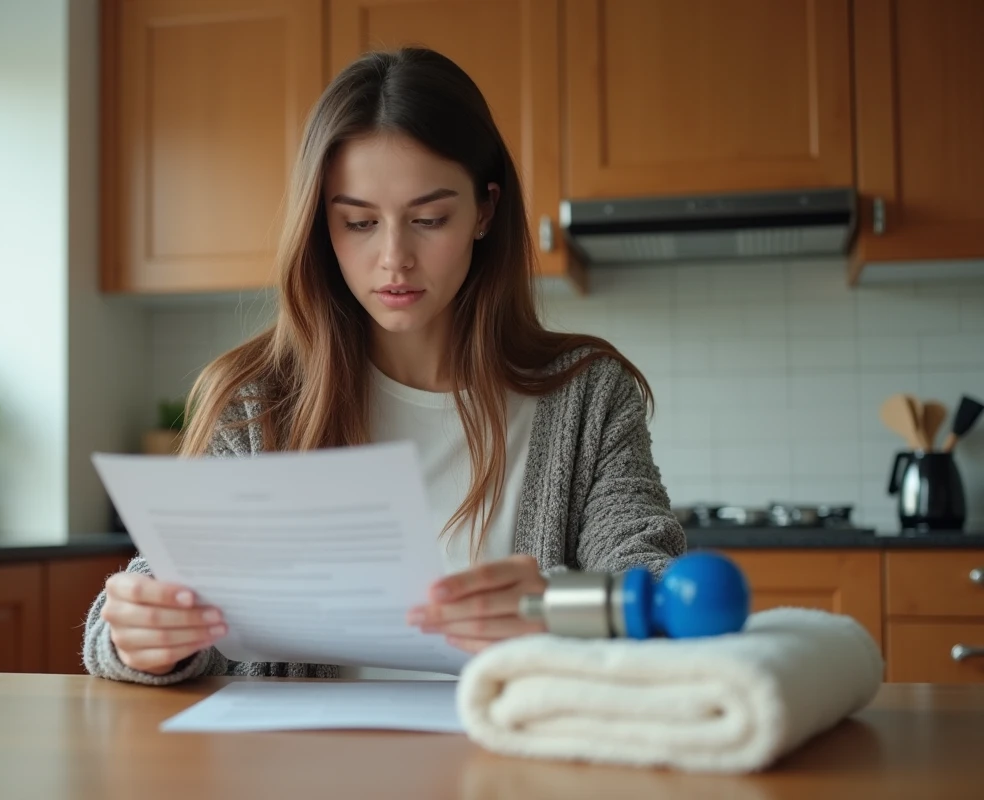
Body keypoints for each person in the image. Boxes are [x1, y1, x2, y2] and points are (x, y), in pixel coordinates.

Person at [83, 47, 686, 685]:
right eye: (359, 222)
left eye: (429, 219)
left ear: (484, 210)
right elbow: (166, 589)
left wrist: (556, 613)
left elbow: (652, 584)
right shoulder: (256, 399)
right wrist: (144, 633)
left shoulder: (588, 394)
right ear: (321, 225)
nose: (394, 258)